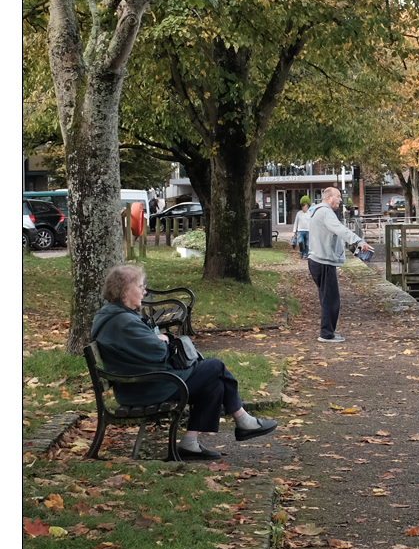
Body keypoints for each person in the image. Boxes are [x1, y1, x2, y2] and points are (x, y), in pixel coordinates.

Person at [91, 265, 277, 461]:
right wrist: (163, 341)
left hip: (142, 382)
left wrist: (159, 339)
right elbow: (157, 353)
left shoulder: (116, 316)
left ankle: (190, 443)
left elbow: (144, 350)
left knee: (215, 384)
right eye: (139, 286)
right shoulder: (123, 322)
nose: (144, 291)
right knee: (215, 366)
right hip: (145, 387)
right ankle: (243, 420)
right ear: (124, 291)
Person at [308, 186, 371, 343]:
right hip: (322, 261)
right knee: (331, 300)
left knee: (328, 298)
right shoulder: (326, 212)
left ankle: (328, 332)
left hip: (319, 260)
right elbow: (340, 229)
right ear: (329, 198)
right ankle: (326, 334)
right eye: (338, 196)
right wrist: (358, 240)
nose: (340, 199)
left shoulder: (319, 211)